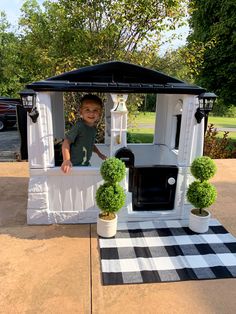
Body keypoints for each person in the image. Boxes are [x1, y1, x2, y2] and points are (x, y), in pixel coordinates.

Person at [61, 94, 106, 173]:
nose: (91, 113)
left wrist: (99, 154)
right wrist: (66, 160)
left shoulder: (93, 129)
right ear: (81, 112)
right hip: (72, 166)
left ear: (100, 113)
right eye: (87, 110)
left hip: (85, 165)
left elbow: (90, 144)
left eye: (95, 110)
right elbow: (66, 142)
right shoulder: (79, 126)